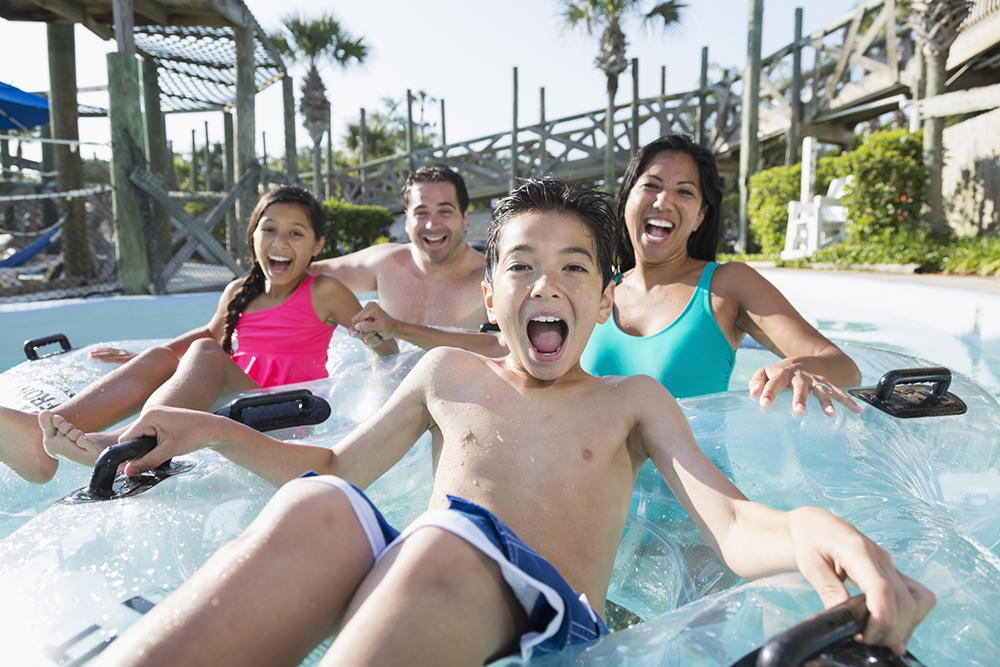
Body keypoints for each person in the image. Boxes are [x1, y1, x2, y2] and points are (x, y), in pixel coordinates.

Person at [92, 179, 932, 667]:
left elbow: (735, 523)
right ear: (488, 297)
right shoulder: (448, 372)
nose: (545, 285)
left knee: (435, 538)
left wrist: (819, 527)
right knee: (318, 508)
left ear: (604, 300)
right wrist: (208, 430)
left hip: (547, 622)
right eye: (520, 266)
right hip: (428, 581)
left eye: (573, 267)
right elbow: (337, 465)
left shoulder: (628, 404)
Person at [351, 135, 862, 415]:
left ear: (702, 215)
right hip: (594, 502)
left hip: (691, 515)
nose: (664, 201)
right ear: (627, 198)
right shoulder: (591, 285)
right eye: (652, 185)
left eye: (685, 192)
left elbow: (838, 364)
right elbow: (495, 344)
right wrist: (397, 329)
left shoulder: (726, 285)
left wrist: (796, 368)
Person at [0, 186, 396, 484]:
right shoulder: (240, 291)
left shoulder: (321, 290)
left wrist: (380, 343)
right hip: (237, 406)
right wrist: (144, 359)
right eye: (269, 229)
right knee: (161, 356)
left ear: (317, 246)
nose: (279, 243)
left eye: (296, 234)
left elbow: (382, 342)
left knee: (205, 352)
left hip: (286, 415)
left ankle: (120, 441)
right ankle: (40, 435)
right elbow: (207, 333)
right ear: (252, 236)